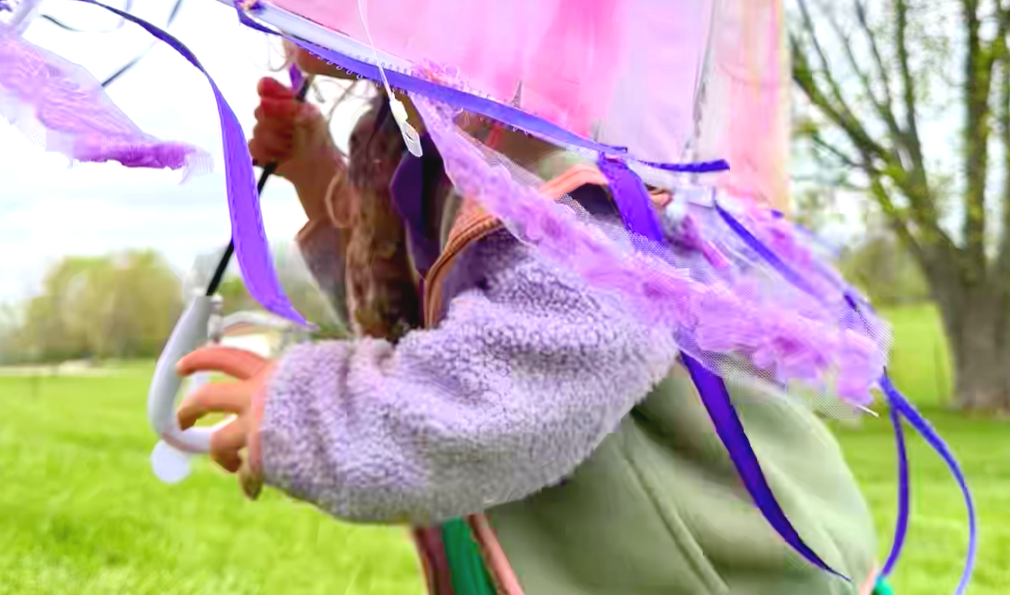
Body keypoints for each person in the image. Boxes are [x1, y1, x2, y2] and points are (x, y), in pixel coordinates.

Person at [177, 52, 883, 595]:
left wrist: (311, 412)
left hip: (713, 568)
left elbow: (547, 359)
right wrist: (315, 175)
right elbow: (416, 333)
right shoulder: (414, 146)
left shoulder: (550, 142)